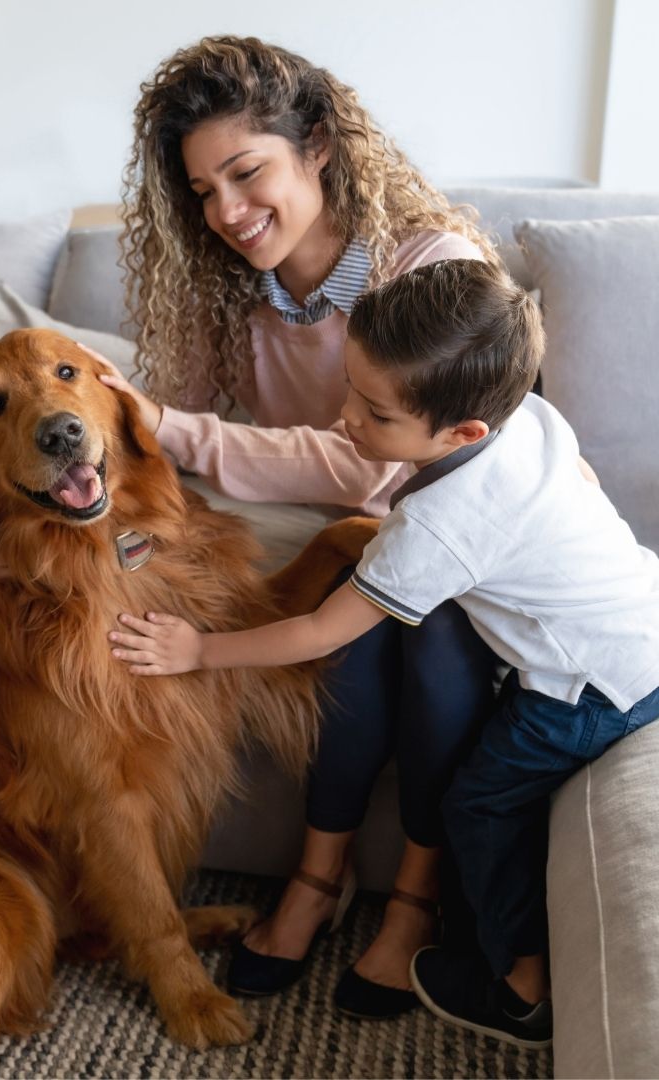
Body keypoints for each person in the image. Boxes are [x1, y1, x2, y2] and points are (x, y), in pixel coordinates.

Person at [108, 257, 659, 1049]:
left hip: (590, 687)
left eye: (374, 412)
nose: (345, 420)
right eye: (349, 390)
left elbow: (320, 632)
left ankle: (523, 986)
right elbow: (576, 471)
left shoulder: (436, 529)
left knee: (483, 804)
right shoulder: (530, 419)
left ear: (463, 433)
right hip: (642, 621)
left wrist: (199, 647)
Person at [88, 34, 501, 1017]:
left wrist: (181, 432)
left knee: (432, 644)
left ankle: (411, 904)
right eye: (202, 192)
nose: (227, 213)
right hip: (347, 550)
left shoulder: (431, 269)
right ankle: (318, 881)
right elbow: (163, 454)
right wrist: (126, 536)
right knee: (343, 631)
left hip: (455, 545)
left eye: (246, 172)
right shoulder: (223, 295)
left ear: (318, 145)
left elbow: (382, 464)